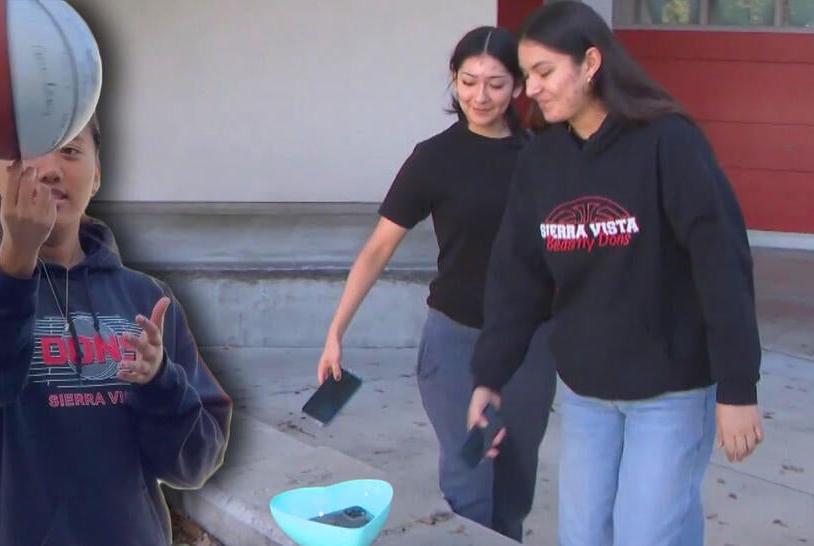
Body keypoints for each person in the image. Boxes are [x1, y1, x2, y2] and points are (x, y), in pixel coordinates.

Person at [466, 3, 764, 545]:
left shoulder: (668, 143)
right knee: (583, 536)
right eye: (527, 76)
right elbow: (518, 278)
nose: (531, 89)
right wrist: (490, 374)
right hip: (586, 392)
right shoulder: (541, 161)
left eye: (544, 72)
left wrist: (738, 388)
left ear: (591, 62)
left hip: (669, 391)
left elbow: (722, 268)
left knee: (647, 534)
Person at [0, 113, 232, 546]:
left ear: (97, 173)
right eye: (26, 154)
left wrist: (160, 382)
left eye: (70, 150)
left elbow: (194, 461)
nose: (48, 170)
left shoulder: (147, 301)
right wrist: (13, 266)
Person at [316, 26, 556, 541]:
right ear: (453, 79)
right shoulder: (434, 157)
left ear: (517, 88)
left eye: (495, 84)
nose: (480, 96)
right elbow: (379, 247)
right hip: (455, 344)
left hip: (527, 344)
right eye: (468, 81)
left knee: (513, 483)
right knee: (470, 479)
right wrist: (337, 329)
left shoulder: (542, 157)